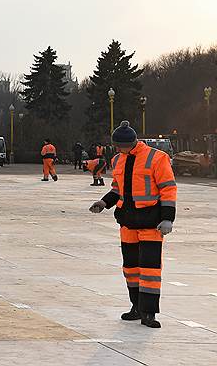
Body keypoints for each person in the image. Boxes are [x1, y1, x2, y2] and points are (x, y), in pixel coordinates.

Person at [89, 121, 177, 329]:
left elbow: (168, 189)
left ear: (130, 142)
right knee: (131, 269)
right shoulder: (118, 159)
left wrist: (167, 218)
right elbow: (117, 189)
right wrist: (104, 202)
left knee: (150, 270)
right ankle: (136, 307)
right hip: (127, 223)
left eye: (119, 145)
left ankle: (149, 313)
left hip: (151, 223)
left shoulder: (157, 158)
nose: (117, 149)